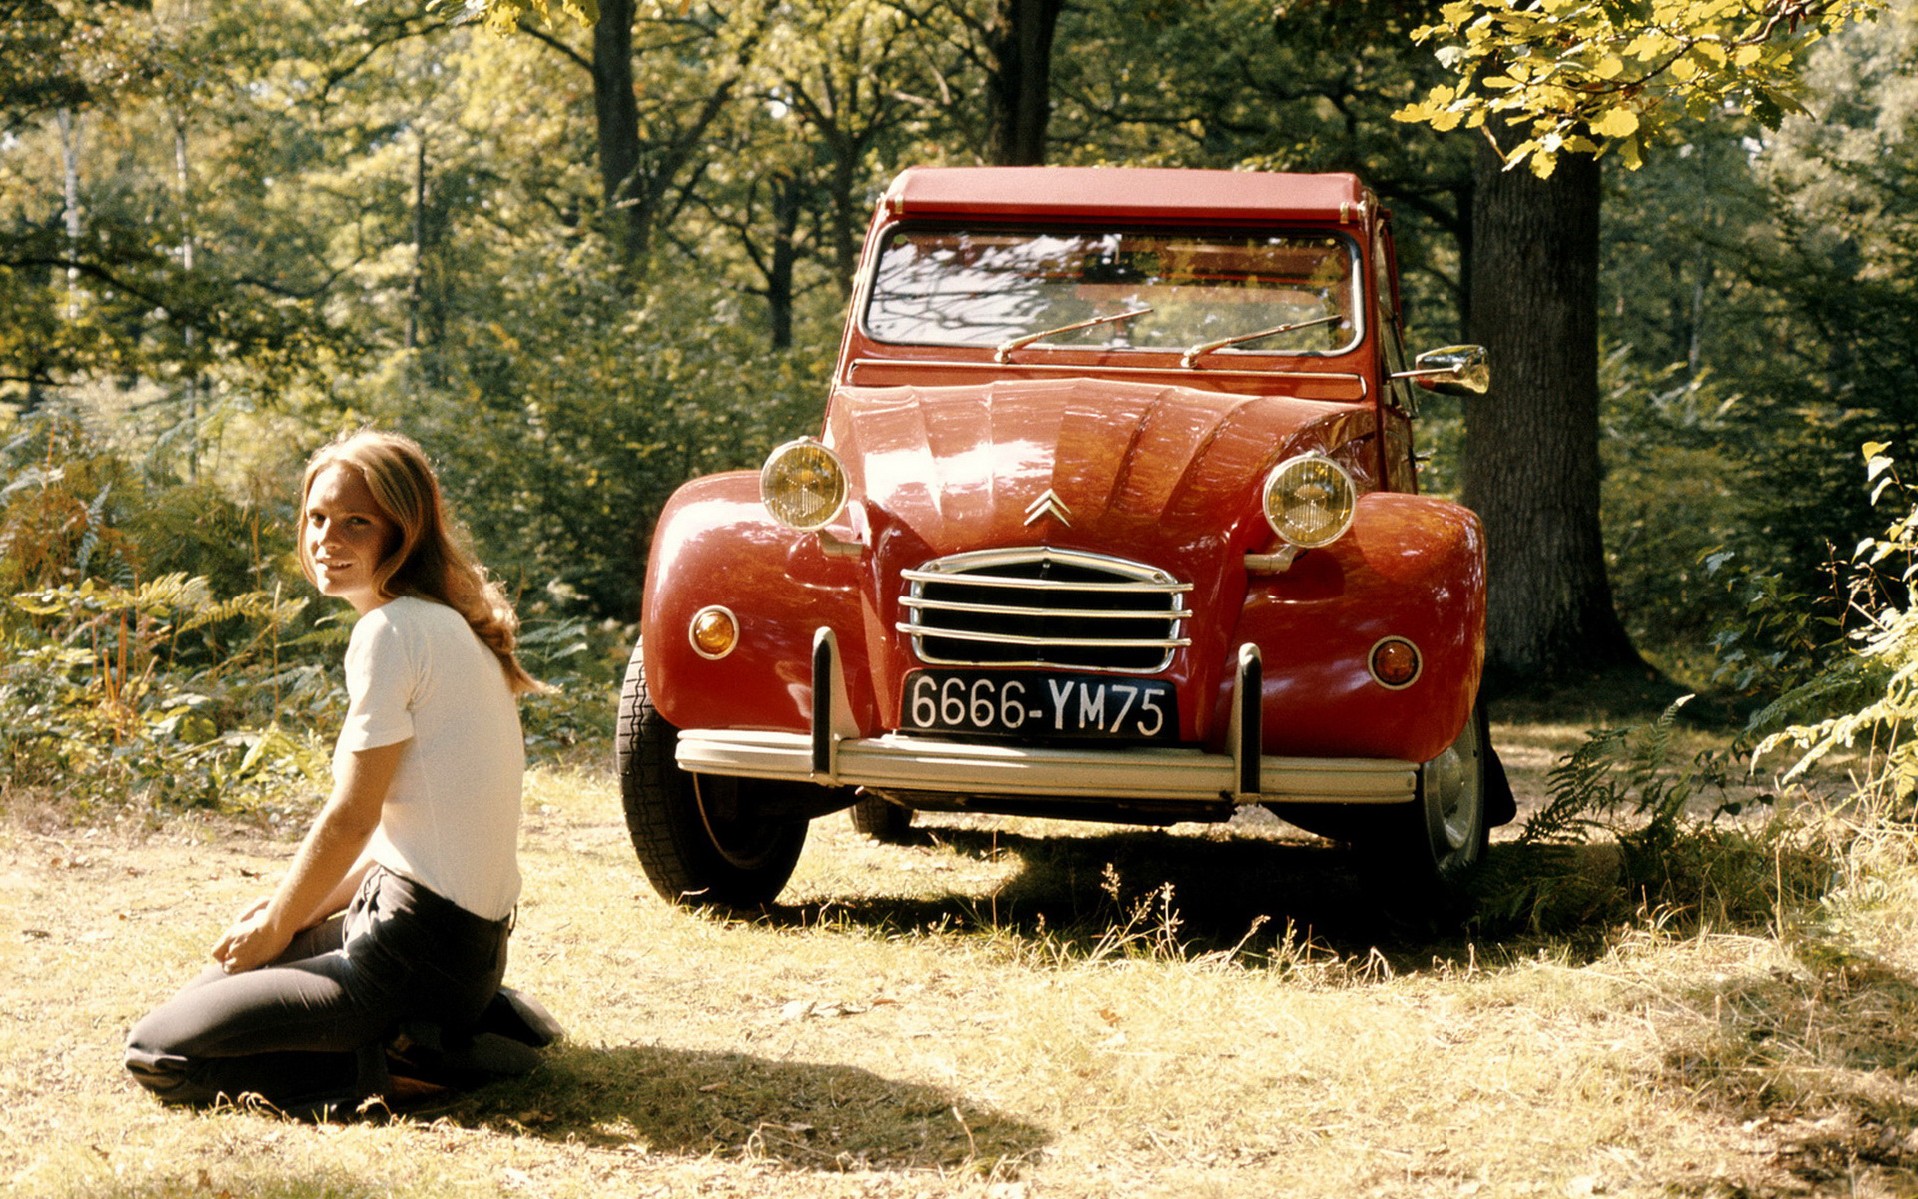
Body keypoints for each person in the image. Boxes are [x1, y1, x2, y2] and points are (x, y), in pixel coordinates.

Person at [125, 429, 550, 1118]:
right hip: (456, 948)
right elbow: (401, 836)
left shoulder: (390, 633)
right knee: (219, 979)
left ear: (403, 533)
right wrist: (287, 915)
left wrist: (278, 925)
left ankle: (399, 1061)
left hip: (412, 954)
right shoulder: (446, 624)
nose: (327, 537)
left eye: (357, 521)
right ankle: (442, 1032)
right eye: (317, 517)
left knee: (156, 1051)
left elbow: (352, 816)